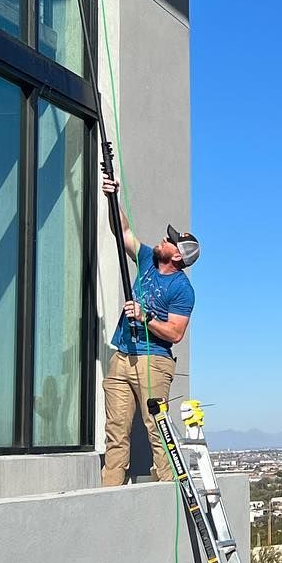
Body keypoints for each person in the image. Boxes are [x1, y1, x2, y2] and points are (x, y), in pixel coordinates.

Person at [101, 174, 197, 485]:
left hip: (153, 361)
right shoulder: (146, 259)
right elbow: (123, 230)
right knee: (115, 430)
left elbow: (175, 333)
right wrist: (112, 197)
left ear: (178, 256)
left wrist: (146, 319)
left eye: (170, 241)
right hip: (123, 356)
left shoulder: (182, 289)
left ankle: (166, 487)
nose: (163, 239)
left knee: (157, 427)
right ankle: (109, 489)